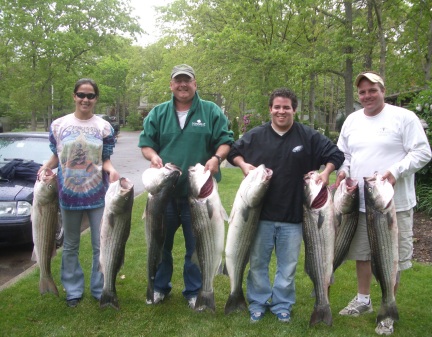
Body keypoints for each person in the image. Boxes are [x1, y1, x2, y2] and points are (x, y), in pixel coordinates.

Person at [227, 87, 344, 323]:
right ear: (270, 109)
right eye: (277, 107)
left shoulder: (308, 137)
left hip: (294, 216)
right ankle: (258, 303)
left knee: (287, 267)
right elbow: (233, 152)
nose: (282, 111)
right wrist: (243, 165)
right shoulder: (257, 135)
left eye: (286, 107)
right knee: (258, 263)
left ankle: (282, 305)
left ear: (294, 110)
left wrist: (327, 172)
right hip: (260, 216)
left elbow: (336, 155)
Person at [335, 71, 432, 335]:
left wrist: (396, 171)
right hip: (360, 204)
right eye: (362, 92)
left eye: (372, 90)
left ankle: (387, 308)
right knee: (362, 255)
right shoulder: (352, 120)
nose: (367, 96)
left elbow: (423, 152)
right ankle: (363, 300)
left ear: (382, 90)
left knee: (390, 259)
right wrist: (342, 171)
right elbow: (343, 153)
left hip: (393, 204)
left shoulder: (403, 117)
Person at [138, 64, 234, 309]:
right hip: (164, 195)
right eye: (178, 80)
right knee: (161, 243)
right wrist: (152, 157)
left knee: (197, 245)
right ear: (171, 85)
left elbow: (225, 141)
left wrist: (216, 158)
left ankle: (195, 291)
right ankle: (159, 287)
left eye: (187, 80)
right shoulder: (158, 113)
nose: (182, 84)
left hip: (199, 195)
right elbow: (146, 144)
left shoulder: (211, 111)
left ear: (195, 84)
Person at [38, 78, 120, 307]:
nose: (85, 99)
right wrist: (46, 166)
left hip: (97, 196)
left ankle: (99, 288)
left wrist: (112, 171)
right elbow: (57, 156)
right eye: (81, 95)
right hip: (67, 196)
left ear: (96, 99)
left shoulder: (104, 127)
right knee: (71, 245)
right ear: (74, 96)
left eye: (90, 96)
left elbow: (105, 160)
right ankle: (73, 290)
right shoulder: (58, 125)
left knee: (100, 245)